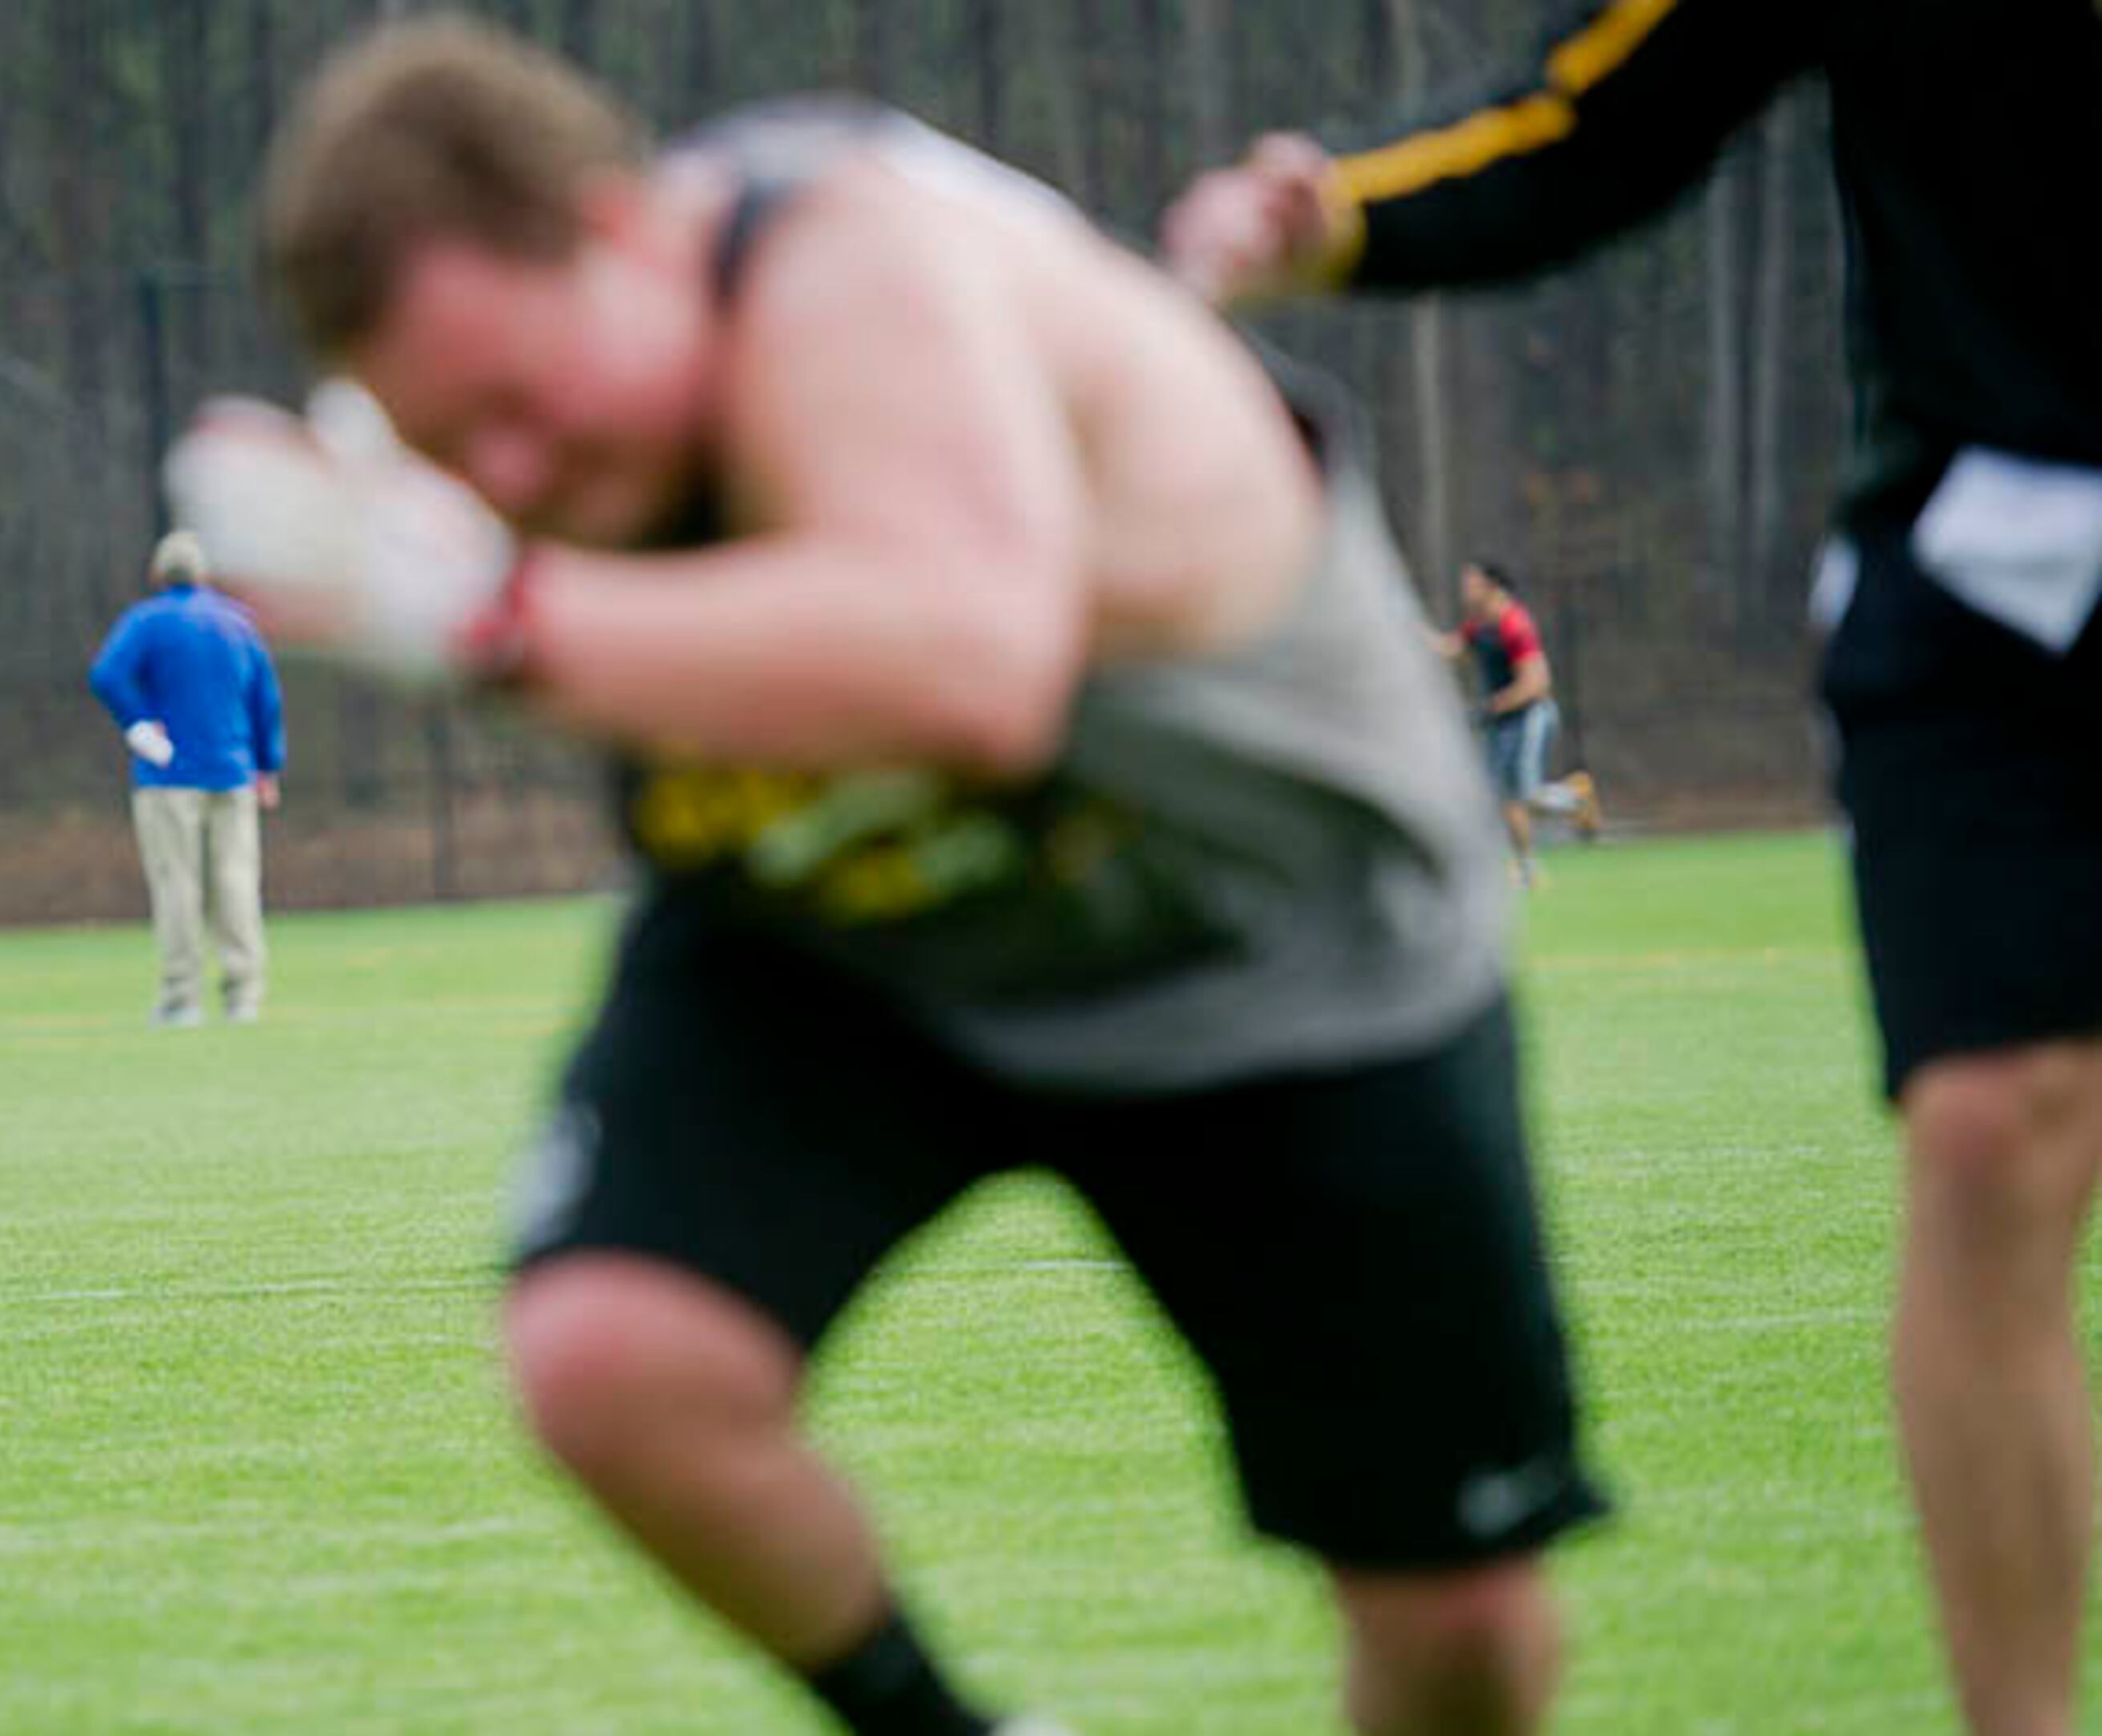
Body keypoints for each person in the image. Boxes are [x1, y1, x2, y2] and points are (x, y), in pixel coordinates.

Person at [168, 22, 1604, 1734]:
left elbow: (968, 668)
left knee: (1453, 1621)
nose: (515, 485)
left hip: (1273, 936)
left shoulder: (850, 266)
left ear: (627, 234)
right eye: (455, 448)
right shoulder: (575, 401)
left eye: (521, 408)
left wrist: (486, 615)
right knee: (613, 1360)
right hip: (874, 928)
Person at [1162, 9, 2102, 1730]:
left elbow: (1505, 665)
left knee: (1526, 792)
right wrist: (1343, 207)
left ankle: (1548, 820)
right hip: (1985, 571)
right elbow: (1596, 113)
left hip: (1584, 700)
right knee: (1989, 1130)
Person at [87, 529, 287, 1026]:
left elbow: (107, 674)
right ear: (204, 574)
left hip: (168, 774)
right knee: (237, 881)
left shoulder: (148, 622)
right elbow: (266, 700)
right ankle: (244, 996)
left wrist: (138, 722)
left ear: (159, 575)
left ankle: (182, 999)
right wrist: (268, 765)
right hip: (233, 771)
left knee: (177, 885)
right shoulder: (238, 623)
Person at [1432, 561, 1601, 885]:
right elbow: (1450, 649)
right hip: (1500, 721)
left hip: (1530, 716)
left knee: (1526, 796)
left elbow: (1537, 683)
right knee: (1505, 798)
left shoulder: (1515, 624)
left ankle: (1578, 797)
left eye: (1471, 581)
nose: (1465, 588)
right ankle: (1527, 869)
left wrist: (1492, 705)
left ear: (1492, 586)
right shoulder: (1478, 624)